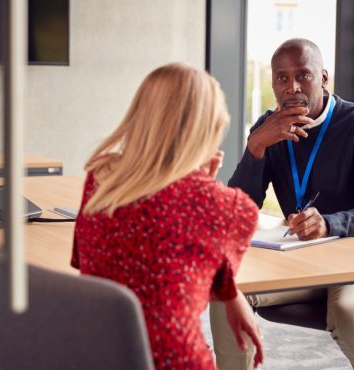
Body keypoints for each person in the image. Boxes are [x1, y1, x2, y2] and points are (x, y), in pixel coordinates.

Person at [210, 39, 354, 370]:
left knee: (349, 312)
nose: (293, 87)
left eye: (304, 75)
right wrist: (256, 146)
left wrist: (330, 223)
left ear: (324, 78)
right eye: (282, 78)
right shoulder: (270, 128)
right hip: (303, 259)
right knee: (225, 291)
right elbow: (239, 208)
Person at [70, 63, 264, 370]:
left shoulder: (102, 176)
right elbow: (206, 288)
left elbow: (88, 263)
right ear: (210, 127)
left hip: (95, 355)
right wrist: (206, 185)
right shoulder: (232, 208)